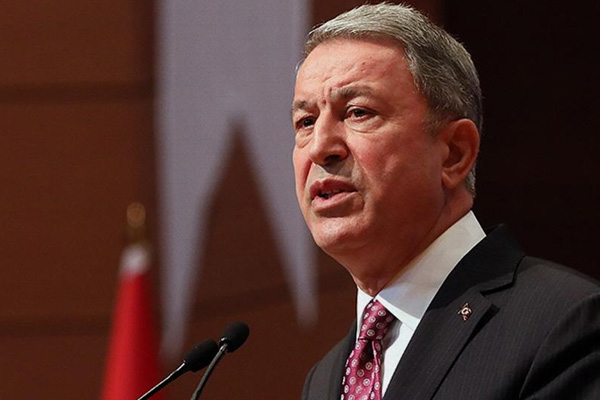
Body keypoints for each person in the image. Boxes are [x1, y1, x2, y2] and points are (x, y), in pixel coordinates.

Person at [291, 3, 599, 400]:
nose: (320, 147)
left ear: (454, 153)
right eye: (305, 122)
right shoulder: (324, 380)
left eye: (358, 112)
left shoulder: (562, 323)